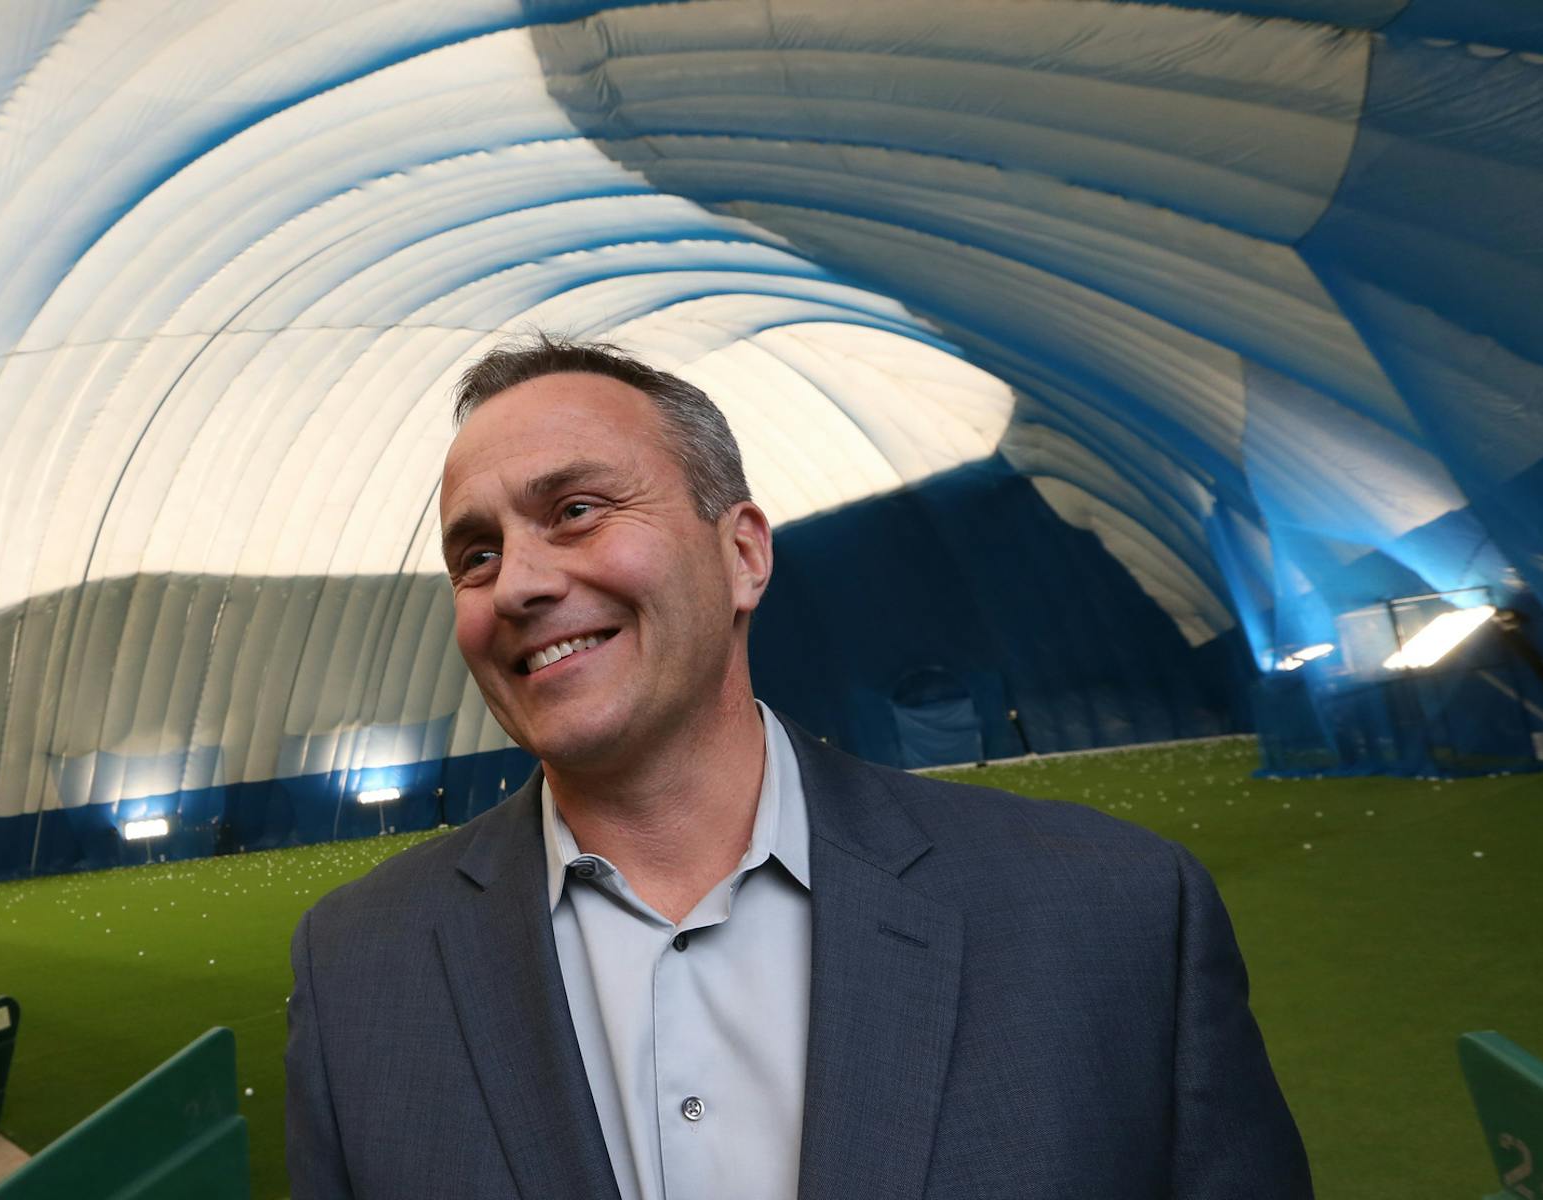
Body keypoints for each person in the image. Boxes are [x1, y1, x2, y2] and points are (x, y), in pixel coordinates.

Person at [284, 336, 1311, 1198]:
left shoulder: (1112, 916)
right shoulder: (359, 971)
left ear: (742, 556)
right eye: (476, 555)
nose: (519, 583)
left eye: (578, 511)